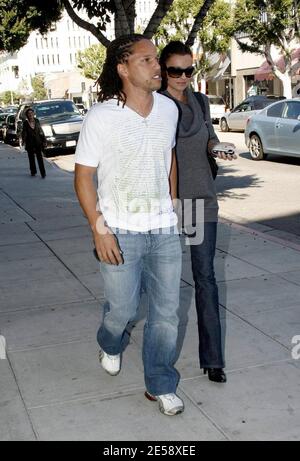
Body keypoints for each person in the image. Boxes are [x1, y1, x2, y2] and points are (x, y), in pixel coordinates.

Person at [74, 34, 184, 416]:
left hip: (164, 229)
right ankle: (110, 341)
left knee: (167, 313)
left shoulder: (169, 109)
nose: (158, 67)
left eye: (157, 59)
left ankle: (160, 383)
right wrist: (98, 228)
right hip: (119, 229)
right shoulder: (101, 117)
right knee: (121, 311)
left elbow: (168, 156)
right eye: (147, 60)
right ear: (123, 68)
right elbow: (84, 176)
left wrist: (172, 203)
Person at [159, 41, 237, 384]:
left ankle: (213, 360)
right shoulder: (156, 106)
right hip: (167, 206)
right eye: (175, 70)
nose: (182, 77)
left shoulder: (202, 101)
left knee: (205, 278)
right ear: (163, 70)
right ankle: (158, 361)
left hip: (200, 204)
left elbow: (208, 137)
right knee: (163, 285)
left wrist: (217, 147)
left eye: (188, 70)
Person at [21, 107, 47, 178]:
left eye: (31, 113)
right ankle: (33, 171)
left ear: (33, 114)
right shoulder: (25, 123)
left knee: (40, 158)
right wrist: (23, 141)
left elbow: (41, 131)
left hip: (38, 142)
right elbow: (24, 132)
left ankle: (43, 173)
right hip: (29, 143)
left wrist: (44, 140)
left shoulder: (37, 121)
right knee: (31, 158)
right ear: (27, 115)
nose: (30, 114)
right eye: (29, 113)